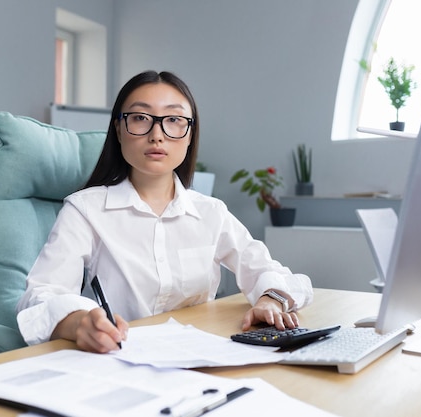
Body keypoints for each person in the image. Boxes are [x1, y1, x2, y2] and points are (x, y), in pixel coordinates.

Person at [16, 70, 313, 353]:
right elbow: (40, 298)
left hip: (202, 355)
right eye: (141, 118)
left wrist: (270, 301)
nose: (157, 134)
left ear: (189, 133)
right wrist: (79, 322)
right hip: (120, 358)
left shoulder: (210, 213)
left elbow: (268, 270)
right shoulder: (85, 210)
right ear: (119, 129)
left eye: (173, 120)